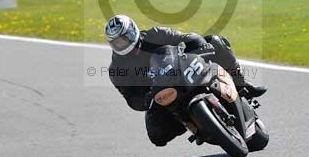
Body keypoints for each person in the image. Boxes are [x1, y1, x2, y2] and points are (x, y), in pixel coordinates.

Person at [104, 14, 266, 147]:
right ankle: (192, 124)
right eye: (116, 42)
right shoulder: (116, 70)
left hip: (183, 71)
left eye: (124, 39)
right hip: (162, 95)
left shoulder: (155, 34)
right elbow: (131, 98)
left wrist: (200, 45)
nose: (121, 44)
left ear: (133, 32)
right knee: (156, 135)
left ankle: (242, 84)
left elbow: (186, 37)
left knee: (215, 41)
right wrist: (145, 100)